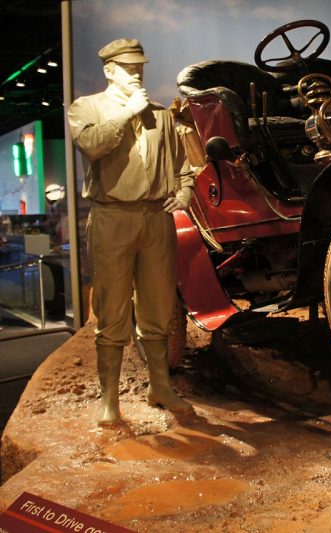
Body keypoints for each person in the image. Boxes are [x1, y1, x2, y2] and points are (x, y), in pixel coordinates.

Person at [68, 38, 194, 426]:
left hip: (156, 218)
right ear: (109, 70)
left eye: (139, 65)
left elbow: (182, 164)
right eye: (127, 67)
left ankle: (160, 386)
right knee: (112, 307)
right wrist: (126, 114)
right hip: (112, 218)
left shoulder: (161, 115)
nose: (136, 72)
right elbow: (90, 145)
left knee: (158, 305)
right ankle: (110, 400)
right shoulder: (86, 108)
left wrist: (185, 191)